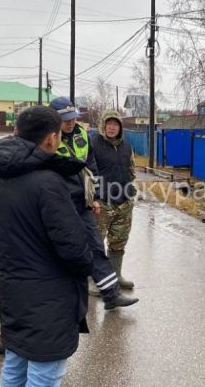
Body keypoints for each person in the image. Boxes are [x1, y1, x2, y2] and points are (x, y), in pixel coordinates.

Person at [0, 106, 92, 386]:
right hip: (49, 298)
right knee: (44, 376)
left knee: (16, 365)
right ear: (51, 139)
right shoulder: (48, 183)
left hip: (14, 287)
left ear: (17, 132)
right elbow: (74, 249)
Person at [49, 97, 138, 309]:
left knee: (105, 245)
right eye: (108, 124)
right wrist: (97, 196)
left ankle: (111, 286)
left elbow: (93, 168)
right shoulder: (56, 138)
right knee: (80, 245)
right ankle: (86, 285)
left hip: (105, 200)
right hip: (69, 202)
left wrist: (125, 188)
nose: (71, 123)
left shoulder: (88, 137)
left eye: (115, 124)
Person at [91, 110, 137, 290]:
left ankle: (116, 276)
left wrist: (131, 187)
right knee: (95, 243)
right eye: (108, 123)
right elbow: (87, 172)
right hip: (101, 202)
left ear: (120, 127)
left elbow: (131, 169)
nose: (111, 127)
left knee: (119, 241)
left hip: (124, 202)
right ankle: (94, 281)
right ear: (103, 125)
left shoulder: (126, 146)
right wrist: (92, 197)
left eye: (115, 124)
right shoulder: (93, 144)